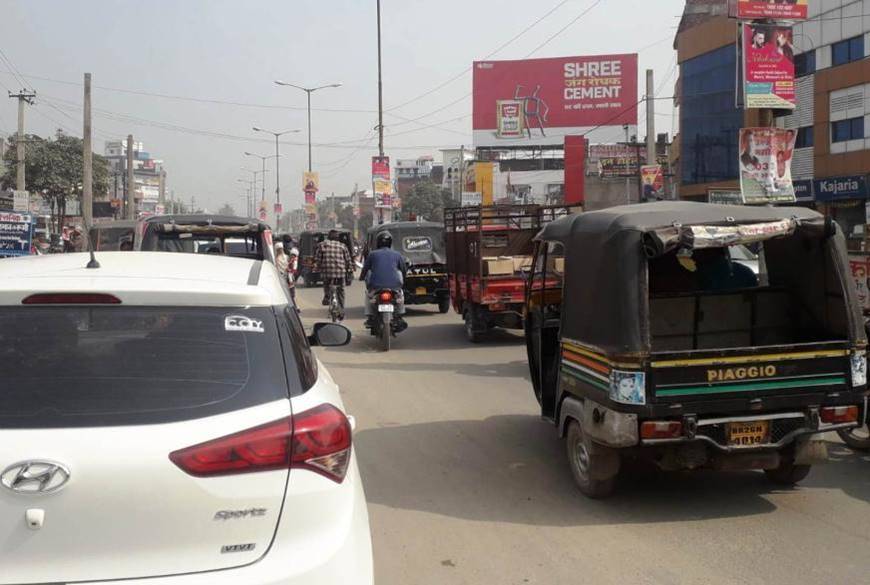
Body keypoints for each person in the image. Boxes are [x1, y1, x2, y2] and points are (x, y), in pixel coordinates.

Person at [359, 231, 408, 331]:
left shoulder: (372, 254)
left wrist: (361, 277)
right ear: (390, 242)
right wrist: (404, 279)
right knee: (400, 295)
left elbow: (365, 269)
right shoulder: (397, 254)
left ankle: (370, 316)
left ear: (378, 243)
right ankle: (400, 314)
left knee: (368, 295)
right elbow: (403, 270)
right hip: (395, 286)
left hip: (375, 286)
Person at [314, 229, 353, 317]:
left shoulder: (322, 245)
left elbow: (318, 260)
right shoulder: (343, 246)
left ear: (328, 237)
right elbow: (348, 260)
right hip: (340, 273)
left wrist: (317, 268)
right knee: (341, 290)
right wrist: (349, 269)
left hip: (327, 272)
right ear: (338, 238)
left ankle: (327, 295)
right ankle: (342, 310)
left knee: (326, 283)